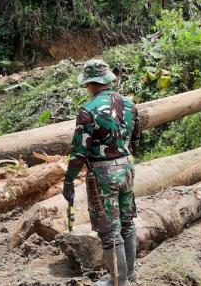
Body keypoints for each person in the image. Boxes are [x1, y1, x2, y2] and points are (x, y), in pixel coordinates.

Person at [63, 59, 140, 286]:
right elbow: (135, 140)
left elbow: (79, 152)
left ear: (91, 84)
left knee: (109, 229)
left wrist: (68, 181)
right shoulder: (129, 105)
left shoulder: (87, 111)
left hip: (103, 173)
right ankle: (129, 275)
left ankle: (118, 281)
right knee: (127, 222)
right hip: (127, 167)